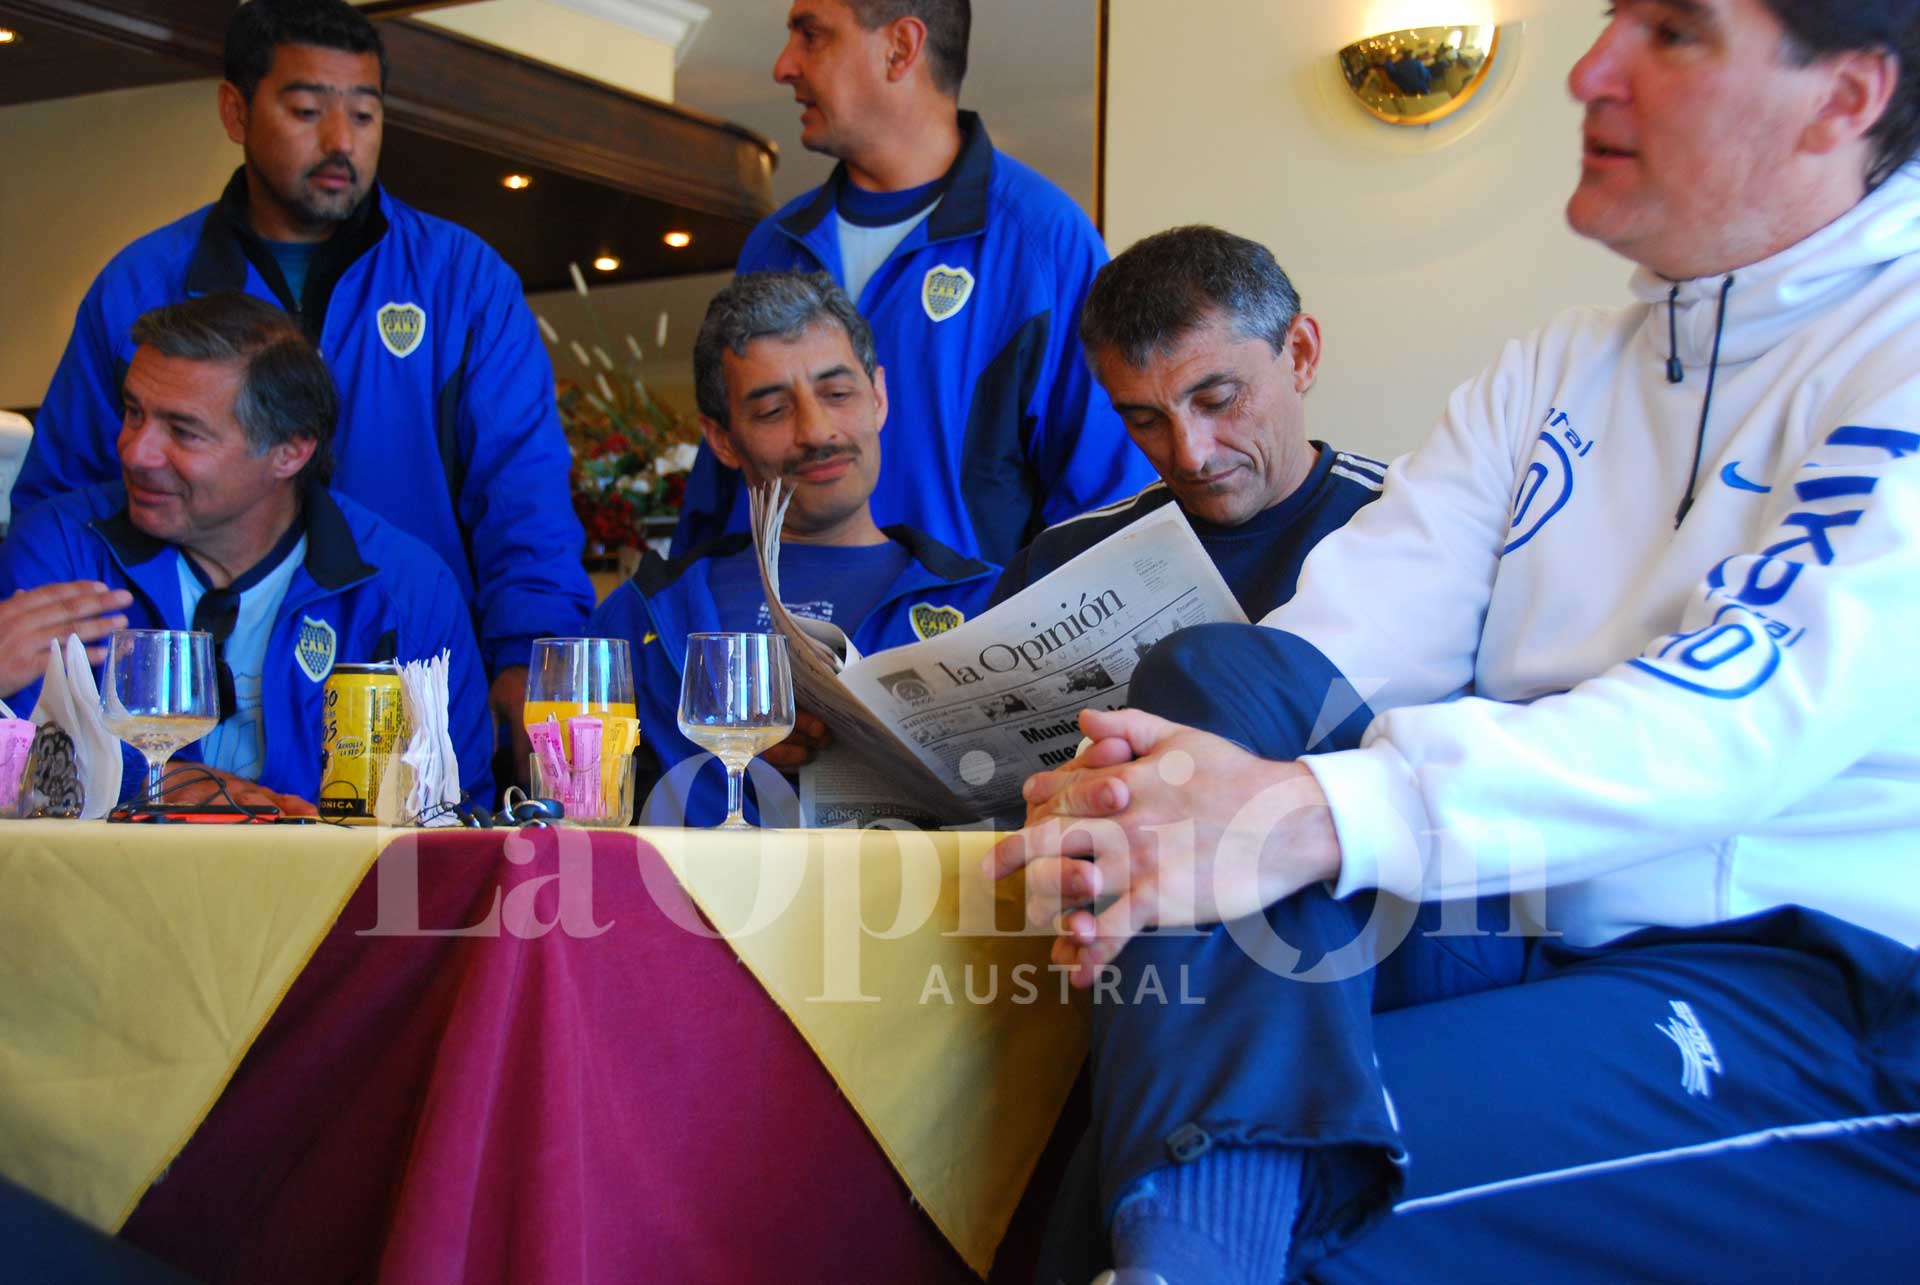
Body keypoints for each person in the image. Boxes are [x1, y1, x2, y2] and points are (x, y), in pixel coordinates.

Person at [992, 2, 1920, 1280]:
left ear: (1844, 99)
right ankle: (1192, 1251)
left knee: (1278, 1169)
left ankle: (1190, 1251)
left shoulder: (1902, 347)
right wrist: (1141, 802)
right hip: (1528, 922)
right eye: (1613, 24)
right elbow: (1330, 650)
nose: (1592, 71)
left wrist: (1313, 809)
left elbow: (1738, 712)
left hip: (1814, 979)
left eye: (1676, 34)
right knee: (1214, 674)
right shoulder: (1555, 369)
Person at [10, 0, 591, 771]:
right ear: (234, 109)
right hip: (165, 683)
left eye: (365, 113)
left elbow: (525, 500)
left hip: (399, 653)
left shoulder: (463, 283)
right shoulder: (141, 283)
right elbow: (74, 503)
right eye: (308, 109)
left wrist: (531, 668)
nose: (341, 141)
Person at [669, 0, 1156, 565]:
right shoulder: (774, 244)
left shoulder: (1044, 240)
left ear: (900, 47)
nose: (784, 65)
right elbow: (719, 488)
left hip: (960, 647)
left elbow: (1107, 508)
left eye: (811, 35)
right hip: (777, 639)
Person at [0, 293, 492, 815]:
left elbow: (455, 813)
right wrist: (150, 788)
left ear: (290, 450)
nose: (135, 451)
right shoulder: (56, 550)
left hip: (328, 892)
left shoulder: (406, 588)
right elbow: (19, 775)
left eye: (183, 432)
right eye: (132, 412)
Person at [589, 272, 998, 826]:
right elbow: (580, 826)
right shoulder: (645, 612)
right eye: (773, 411)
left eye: (837, 393)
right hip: (694, 909)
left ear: (878, 397)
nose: (817, 431)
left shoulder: (986, 600)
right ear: (723, 440)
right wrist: (729, 762)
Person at [988, 226, 1386, 621]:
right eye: (1146, 421)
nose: (1191, 456)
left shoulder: (1411, 524)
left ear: (1300, 355)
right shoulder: (1055, 567)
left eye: (1218, 401)